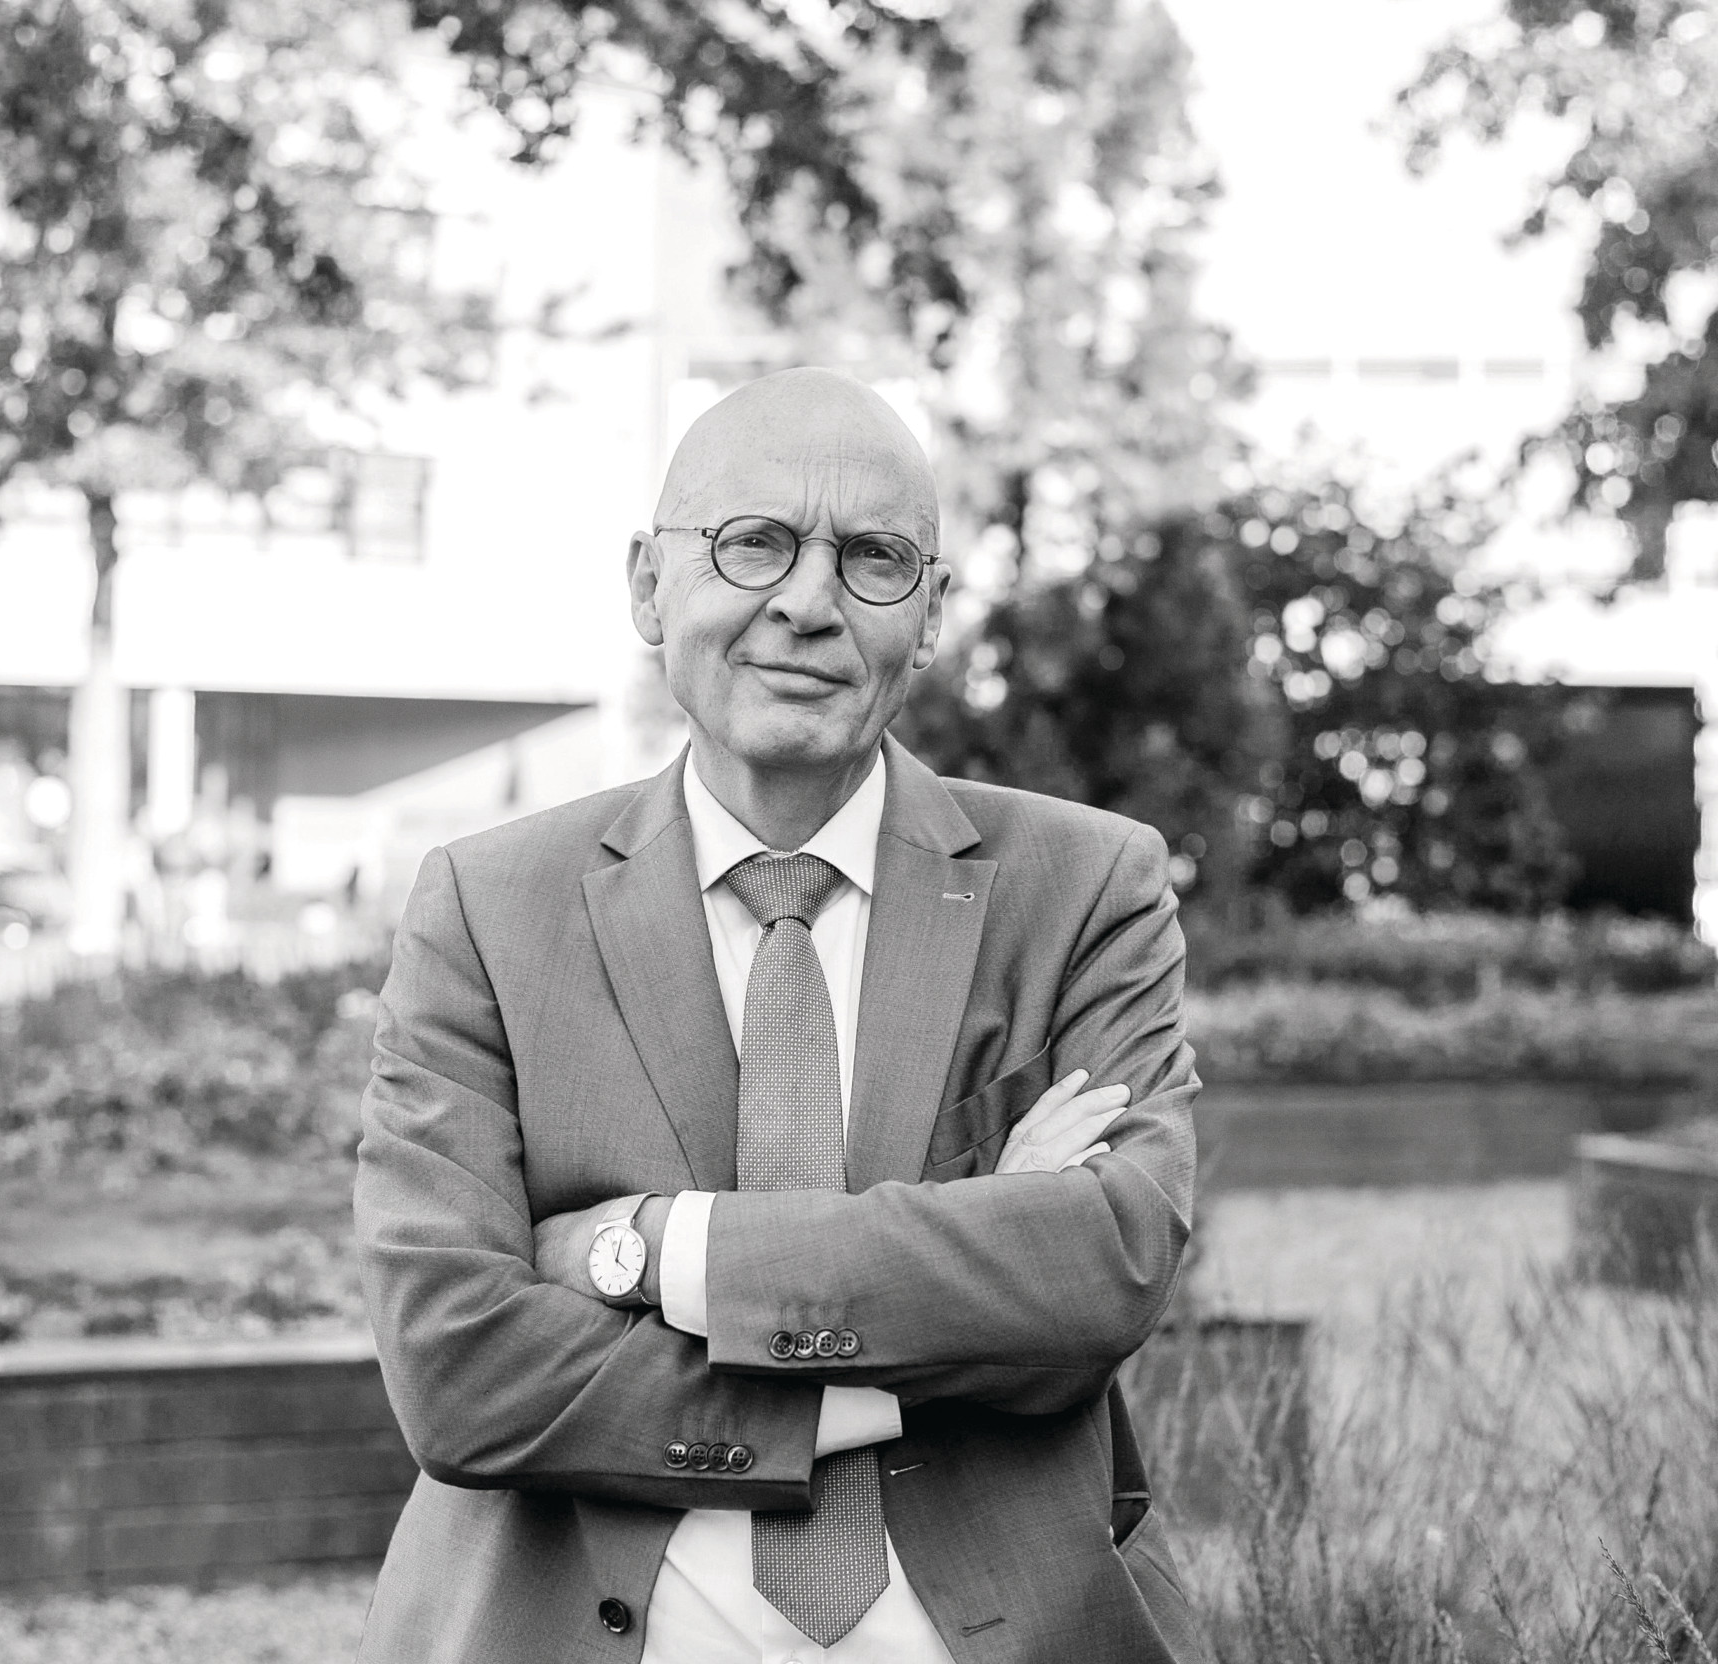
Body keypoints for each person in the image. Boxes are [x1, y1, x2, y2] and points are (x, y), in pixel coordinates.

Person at [354, 368, 1209, 1664]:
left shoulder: (1086, 889)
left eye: (874, 559)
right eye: (755, 542)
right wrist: (950, 1286)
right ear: (650, 585)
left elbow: (1106, 1267)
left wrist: (652, 1252)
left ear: (927, 619)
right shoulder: (488, 908)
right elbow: (457, 1373)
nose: (807, 602)